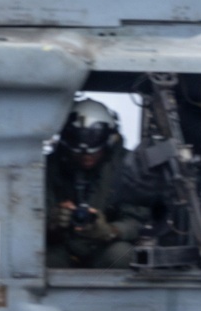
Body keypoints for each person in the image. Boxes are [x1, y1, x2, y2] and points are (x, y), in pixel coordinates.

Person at [46, 98, 151, 269]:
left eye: (94, 150)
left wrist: (110, 230)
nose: (87, 157)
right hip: (62, 248)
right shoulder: (49, 169)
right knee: (38, 260)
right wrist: (53, 221)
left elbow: (138, 220)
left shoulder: (128, 167)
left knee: (121, 255)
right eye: (78, 152)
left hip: (104, 248)